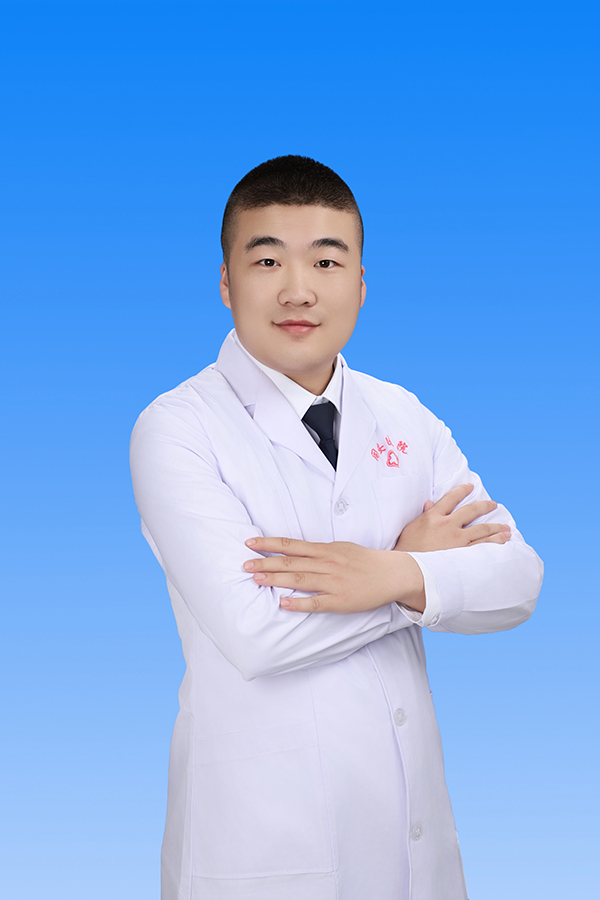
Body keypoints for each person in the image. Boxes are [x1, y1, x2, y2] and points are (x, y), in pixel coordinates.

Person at [130, 155, 543, 900]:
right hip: (262, 848)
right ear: (225, 283)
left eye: (326, 261)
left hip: (417, 848)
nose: (298, 289)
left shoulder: (404, 415)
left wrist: (391, 573)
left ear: (360, 283)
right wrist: (415, 582)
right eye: (267, 260)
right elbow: (258, 633)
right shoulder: (178, 429)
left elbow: (516, 579)